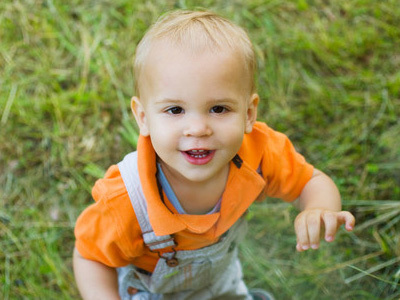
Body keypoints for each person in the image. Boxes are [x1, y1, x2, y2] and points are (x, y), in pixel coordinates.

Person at [73, 10, 355, 300]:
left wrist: (318, 208)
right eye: (175, 110)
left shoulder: (258, 152)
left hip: (220, 285)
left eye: (219, 109)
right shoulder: (126, 200)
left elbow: (311, 181)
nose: (198, 129)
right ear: (143, 117)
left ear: (248, 113)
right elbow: (90, 257)